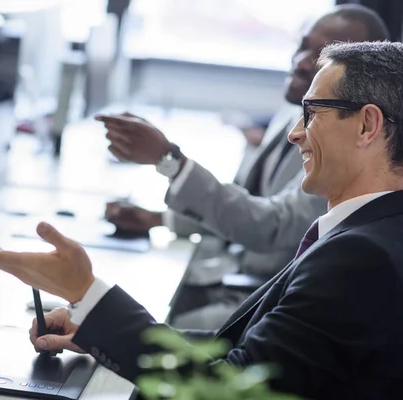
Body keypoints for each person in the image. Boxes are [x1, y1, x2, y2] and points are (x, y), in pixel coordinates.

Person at [0, 40, 403, 399]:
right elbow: (245, 355)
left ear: (367, 125)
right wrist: (93, 331)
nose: (295, 133)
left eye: (312, 113)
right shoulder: (371, 231)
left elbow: (222, 391)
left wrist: (86, 292)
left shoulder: (360, 257)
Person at [102, 4, 390, 329]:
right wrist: (161, 219)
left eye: (323, 54)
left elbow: (273, 225)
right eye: (303, 46)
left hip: (257, 298)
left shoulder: (342, 154)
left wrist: (169, 160)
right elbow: (244, 199)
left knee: (125, 322)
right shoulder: (290, 113)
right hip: (227, 272)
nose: (301, 60)